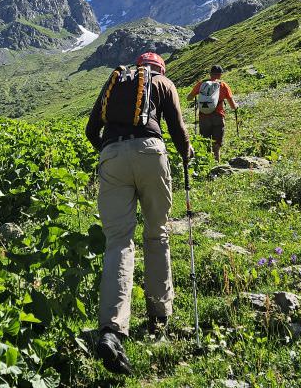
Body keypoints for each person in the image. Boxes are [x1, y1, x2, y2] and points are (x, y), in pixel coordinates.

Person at [85, 51, 192, 376]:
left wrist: (111, 151)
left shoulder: (115, 82)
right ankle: (159, 315)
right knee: (156, 234)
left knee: (118, 241)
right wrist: (186, 155)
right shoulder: (163, 83)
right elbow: (176, 127)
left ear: (136, 68)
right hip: (150, 152)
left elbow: (92, 130)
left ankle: (112, 330)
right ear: (159, 68)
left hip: (112, 156)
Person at [186, 65, 237, 162]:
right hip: (218, 116)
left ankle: (205, 163)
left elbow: (189, 98)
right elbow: (233, 106)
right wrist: (236, 106)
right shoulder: (223, 85)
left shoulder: (202, 84)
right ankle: (217, 163)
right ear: (220, 75)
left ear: (210, 74)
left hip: (204, 117)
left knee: (205, 141)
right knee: (217, 144)